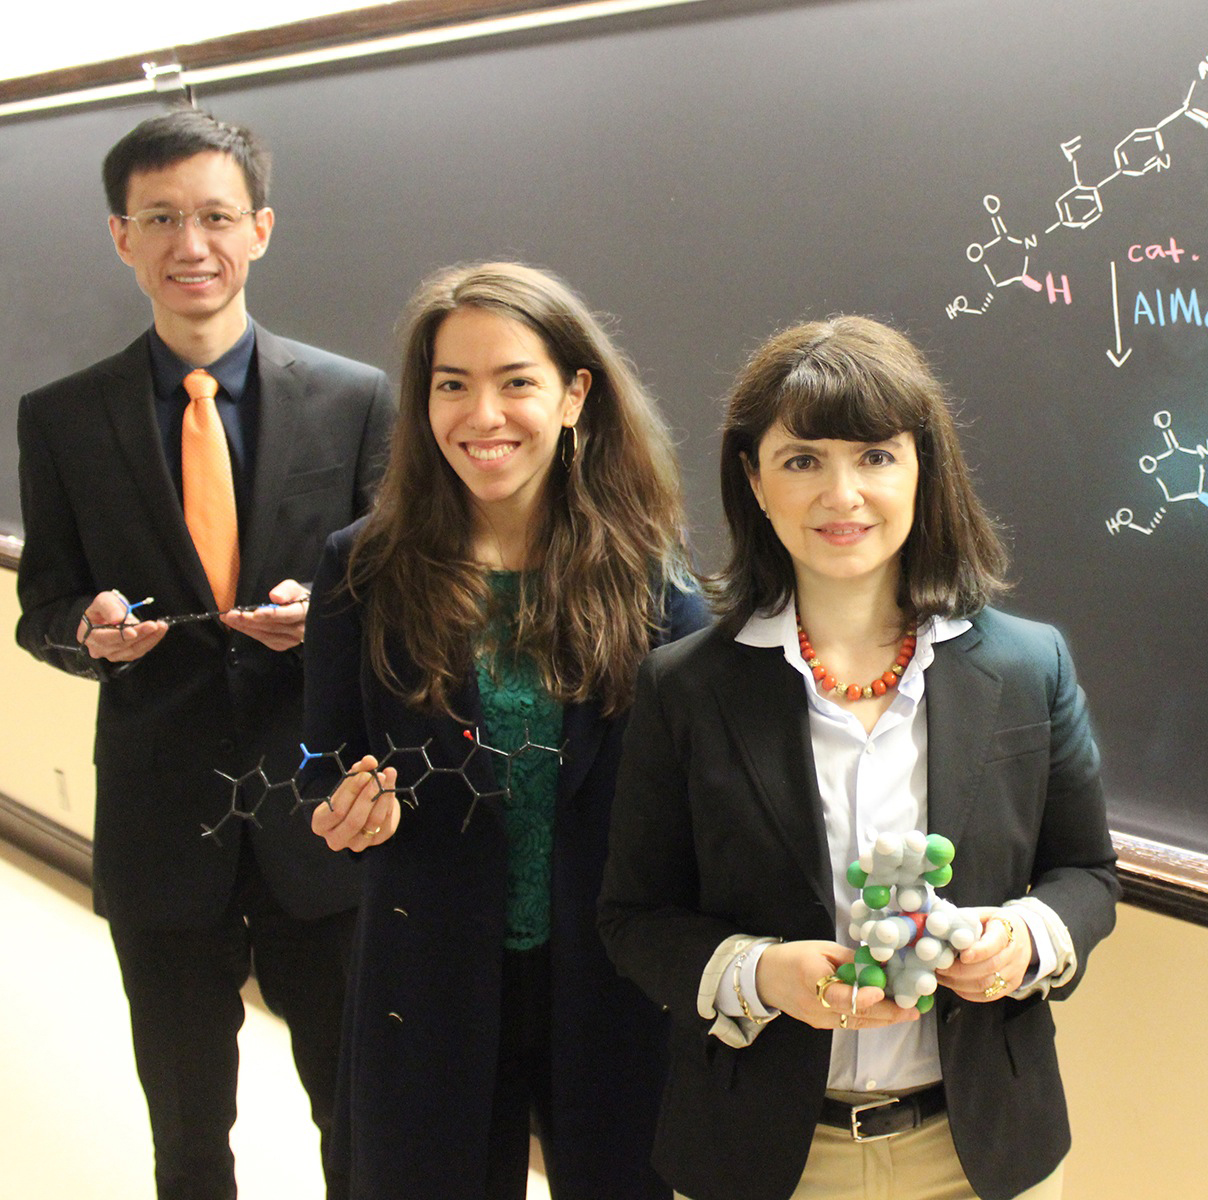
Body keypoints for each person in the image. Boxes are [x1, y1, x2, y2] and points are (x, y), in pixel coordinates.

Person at [597, 316, 1119, 1200]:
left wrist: (1021, 942)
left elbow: (1086, 873)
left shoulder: (1028, 668)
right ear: (755, 482)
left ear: (923, 471)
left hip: (982, 1151)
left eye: (875, 455)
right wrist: (762, 975)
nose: (843, 494)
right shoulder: (684, 688)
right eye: (803, 460)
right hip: (765, 1157)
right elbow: (634, 919)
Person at [15, 106, 394, 1200]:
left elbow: (396, 594)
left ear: (261, 229)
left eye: (217, 216)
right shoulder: (62, 419)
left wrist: (324, 611)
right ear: (120, 236)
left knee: (355, 1113)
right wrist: (86, 634)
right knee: (186, 1135)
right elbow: (41, 605)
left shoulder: (357, 398)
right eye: (162, 217)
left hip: (320, 826)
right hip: (158, 830)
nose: (193, 244)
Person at [302, 261, 706, 1200]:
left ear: (574, 396)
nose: (483, 415)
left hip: (608, 984)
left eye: (516, 381)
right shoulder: (361, 568)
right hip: (426, 972)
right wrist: (336, 808)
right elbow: (321, 756)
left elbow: (690, 792)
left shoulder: (648, 579)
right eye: (453, 386)